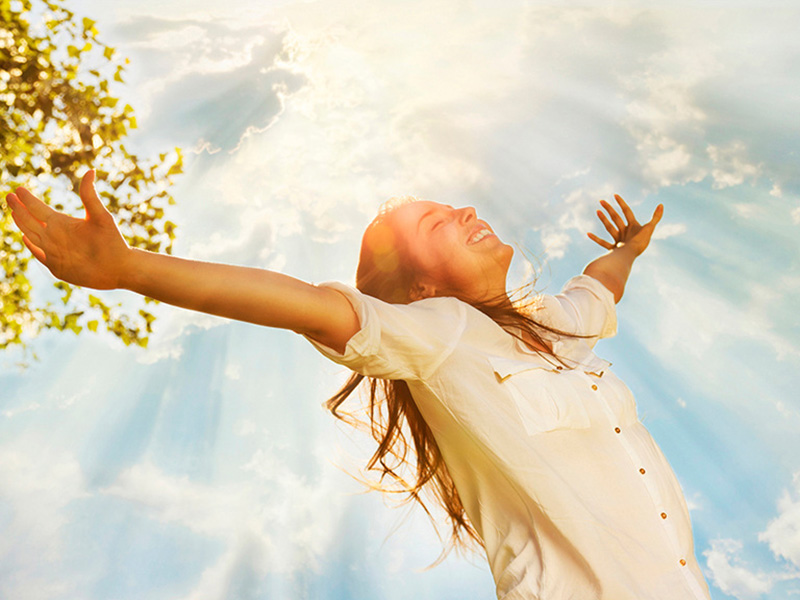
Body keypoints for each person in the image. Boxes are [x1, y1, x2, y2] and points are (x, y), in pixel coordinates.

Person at [5, 171, 712, 599]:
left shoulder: (557, 326)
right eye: (438, 222)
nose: (465, 211)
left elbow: (597, 292)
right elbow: (308, 303)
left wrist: (626, 250)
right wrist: (131, 271)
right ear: (424, 285)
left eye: (453, 205)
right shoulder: (439, 333)